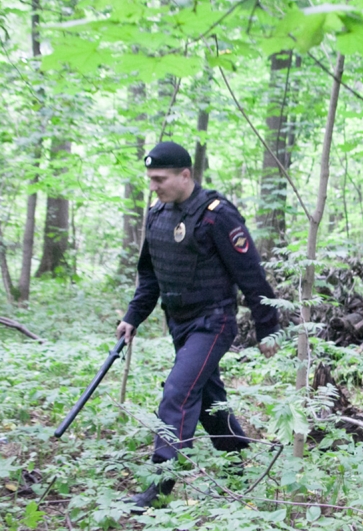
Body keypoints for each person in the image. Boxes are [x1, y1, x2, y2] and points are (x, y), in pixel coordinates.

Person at [116, 141, 280, 510]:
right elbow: (150, 277)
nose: (153, 186)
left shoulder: (215, 214)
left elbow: (250, 273)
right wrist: (132, 317)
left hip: (214, 321)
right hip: (180, 323)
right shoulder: (157, 215)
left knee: (177, 391)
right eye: (150, 180)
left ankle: (160, 484)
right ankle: (236, 459)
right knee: (206, 395)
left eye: (160, 179)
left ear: (185, 175)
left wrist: (267, 327)